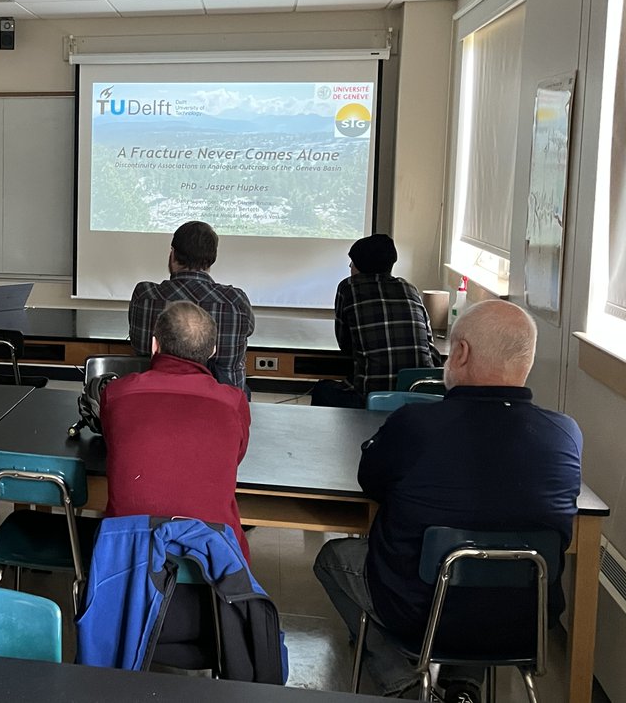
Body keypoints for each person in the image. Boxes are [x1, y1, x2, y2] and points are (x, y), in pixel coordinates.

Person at [313, 300, 582, 699]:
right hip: (526, 618)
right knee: (486, 563)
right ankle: (463, 687)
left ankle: (402, 685)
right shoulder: (565, 433)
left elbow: (371, 482)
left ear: (460, 353)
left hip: (420, 612)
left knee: (333, 558)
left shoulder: (416, 425)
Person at [102, 301, 252, 561]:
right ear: (213, 350)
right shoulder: (233, 402)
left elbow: (113, 443)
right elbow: (234, 456)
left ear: (154, 345)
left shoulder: (116, 394)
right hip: (213, 556)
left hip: (128, 556)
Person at [311, 233, 440, 409]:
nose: (350, 266)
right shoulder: (409, 288)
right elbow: (429, 343)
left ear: (361, 265)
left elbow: (345, 345)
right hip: (420, 395)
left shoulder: (348, 287)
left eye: (353, 261)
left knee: (322, 389)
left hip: (371, 397)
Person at [128, 221, 254, 391]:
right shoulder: (235, 302)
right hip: (221, 405)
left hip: (154, 396)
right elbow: (249, 330)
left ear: (172, 255)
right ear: (212, 259)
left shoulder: (144, 296)